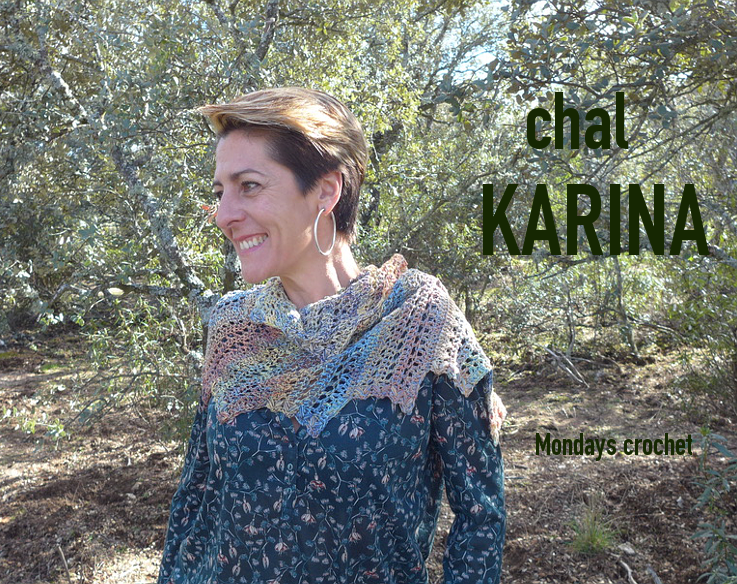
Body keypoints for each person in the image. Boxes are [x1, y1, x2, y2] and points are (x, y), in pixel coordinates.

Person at [157, 87, 507, 584]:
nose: (224, 214)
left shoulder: (419, 321)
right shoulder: (234, 327)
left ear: (326, 191)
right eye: (220, 193)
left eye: (249, 186)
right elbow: (195, 499)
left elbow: (480, 513)